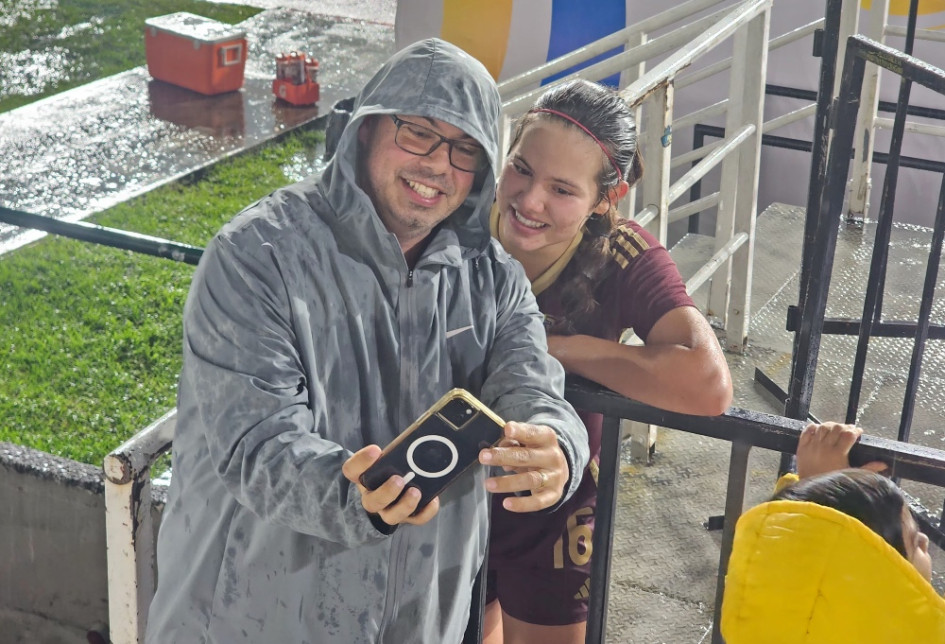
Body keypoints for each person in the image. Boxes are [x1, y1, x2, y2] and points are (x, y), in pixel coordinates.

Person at [145, 38, 589, 643]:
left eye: (464, 149)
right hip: (250, 618)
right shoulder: (258, 256)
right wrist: (352, 495)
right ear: (365, 131)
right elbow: (256, 445)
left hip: (420, 622)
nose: (437, 164)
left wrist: (556, 447)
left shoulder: (494, 279)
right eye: (417, 133)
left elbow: (533, 388)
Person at [484, 79, 733, 644]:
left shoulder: (622, 252)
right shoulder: (463, 222)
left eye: (562, 190)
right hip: (453, 484)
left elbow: (708, 384)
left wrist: (542, 346)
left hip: (554, 507)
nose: (528, 200)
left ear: (605, 199)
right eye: (520, 168)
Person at [722, 422, 945, 643]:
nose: (925, 541)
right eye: (915, 542)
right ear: (873, 591)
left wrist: (829, 498)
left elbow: (799, 579)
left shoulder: (753, 628)